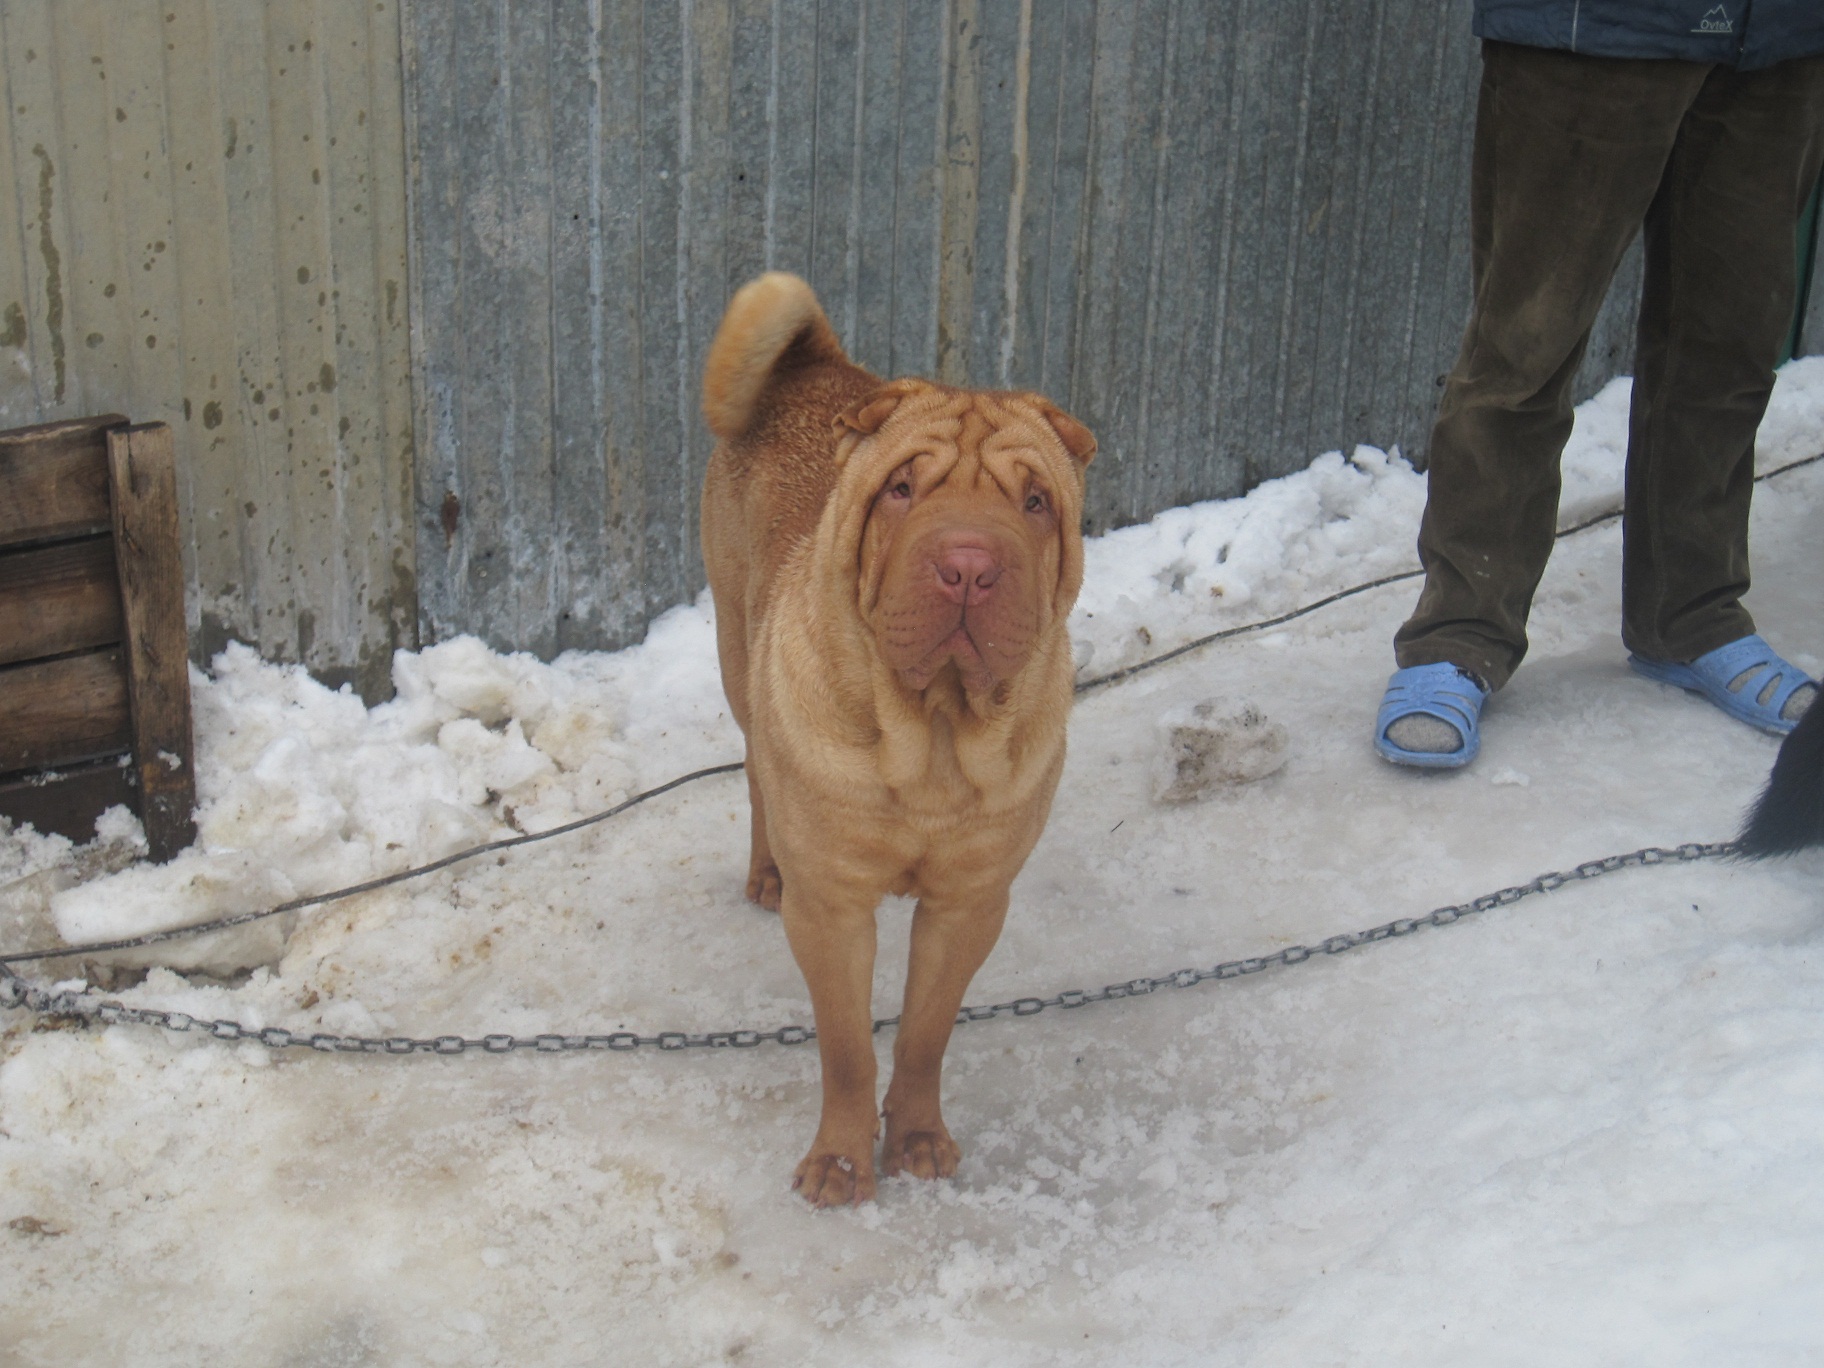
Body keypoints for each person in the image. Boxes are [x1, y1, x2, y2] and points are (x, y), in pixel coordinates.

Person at [1375, 0, 1824, 769]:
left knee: (1729, 345)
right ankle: (1459, 635)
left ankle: (1692, 617)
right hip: (1597, 29)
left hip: (1781, 34)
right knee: (1524, 348)